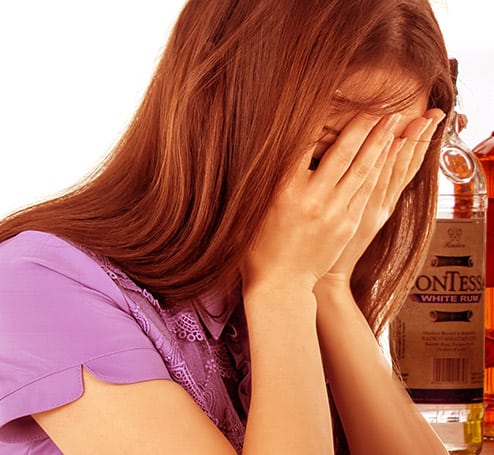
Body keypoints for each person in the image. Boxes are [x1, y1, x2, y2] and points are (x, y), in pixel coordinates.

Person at [0, 0, 454, 453]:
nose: (346, 199)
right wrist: (284, 288)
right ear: (221, 115)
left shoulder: (275, 289)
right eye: (325, 157)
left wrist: (329, 287)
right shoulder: (35, 287)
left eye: (381, 166)